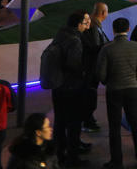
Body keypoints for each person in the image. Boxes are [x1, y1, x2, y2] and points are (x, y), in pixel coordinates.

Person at [96, 17, 137, 169]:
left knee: (114, 126)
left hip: (113, 90)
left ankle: (116, 160)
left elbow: (100, 72)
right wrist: (135, 80)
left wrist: (107, 81)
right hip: (131, 88)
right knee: (135, 124)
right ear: (128, 29)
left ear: (113, 29)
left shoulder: (107, 49)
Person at [51, 10, 89, 168]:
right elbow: (73, 63)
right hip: (71, 86)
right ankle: (73, 157)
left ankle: (59, 153)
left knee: (59, 120)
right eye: (85, 23)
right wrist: (82, 72)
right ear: (79, 25)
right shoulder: (75, 40)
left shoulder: (60, 36)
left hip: (57, 85)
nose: (87, 26)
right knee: (74, 122)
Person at [81, 2, 109, 135]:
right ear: (104, 13)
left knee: (90, 94)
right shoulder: (94, 27)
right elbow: (95, 49)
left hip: (91, 67)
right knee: (90, 94)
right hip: (91, 68)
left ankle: (87, 117)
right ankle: (87, 119)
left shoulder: (95, 25)